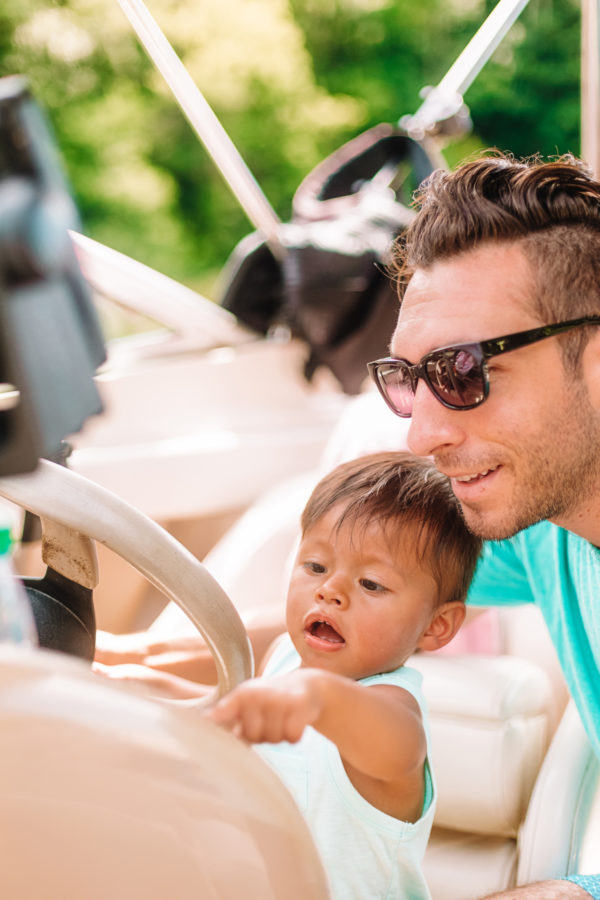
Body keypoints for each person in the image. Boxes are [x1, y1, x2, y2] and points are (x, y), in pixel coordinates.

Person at [366, 151, 600, 899]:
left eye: (461, 372)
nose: (420, 435)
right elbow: (373, 590)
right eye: (407, 380)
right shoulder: (547, 523)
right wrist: (127, 657)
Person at [99, 451, 481, 899]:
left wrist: (314, 696)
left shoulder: (392, 709)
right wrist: (128, 683)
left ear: (436, 627)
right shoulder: (284, 658)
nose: (329, 590)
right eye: (315, 567)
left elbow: (399, 749)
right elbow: (231, 709)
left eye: (371, 584)